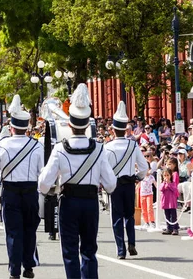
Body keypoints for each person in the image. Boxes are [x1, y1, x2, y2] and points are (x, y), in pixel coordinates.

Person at [38, 83, 116, 279]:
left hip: (69, 202)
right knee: (89, 251)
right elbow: (111, 184)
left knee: (70, 251)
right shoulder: (99, 149)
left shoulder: (60, 149)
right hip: (90, 203)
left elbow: (43, 184)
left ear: (70, 124)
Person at [0, 94, 44, 279]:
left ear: (11, 127)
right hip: (30, 192)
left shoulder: (2, 145)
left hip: (10, 191)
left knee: (13, 232)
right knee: (29, 230)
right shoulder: (36, 146)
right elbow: (42, 171)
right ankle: (28, 266)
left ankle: (14, 271)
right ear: (27, 128)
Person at [104, 101, 148, 259]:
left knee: (116, 217)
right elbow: (143, 166)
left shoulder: (107, 147)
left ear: (114, 130)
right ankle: (132, 243)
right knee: (129, 216)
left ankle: (121, 249)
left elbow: (104, 169)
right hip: (129, 184)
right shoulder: (133, 145)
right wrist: (138, 178)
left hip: (115, 185)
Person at [160, 168, 179, 235]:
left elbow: (174, 189)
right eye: (165, 175)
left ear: (170, 175)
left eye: (168, 175)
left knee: (173, 216)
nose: (166, 177)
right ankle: (169, 228)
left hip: (171, 202)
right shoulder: (162, 183)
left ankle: (175, 228)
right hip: (165, 202)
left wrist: (168, 184)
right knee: (167, 215)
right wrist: (165, 184)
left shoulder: (173, 183)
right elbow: (161, 189)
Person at [139, 164, 156, 229]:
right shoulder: (141, 177)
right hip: (142, 194)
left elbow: (155, 184)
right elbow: (138, 185)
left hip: (149, 194)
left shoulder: (151, 177)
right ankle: (146, 222)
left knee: (149, 208)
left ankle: (152, 221)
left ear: (149, 169)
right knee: (143, 209)